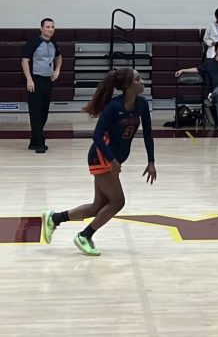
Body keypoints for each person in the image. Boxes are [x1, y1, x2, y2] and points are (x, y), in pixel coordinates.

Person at [41, 68, 156, 256]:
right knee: (118, 202)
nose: (142, 81)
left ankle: (54, 218)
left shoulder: (142, 105)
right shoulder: (113, 107)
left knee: (97, 207)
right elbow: (97, 136)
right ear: (127, 86)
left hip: (113, 158)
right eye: (138, 79)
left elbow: (149, 134)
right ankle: (85, 236)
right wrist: (112, 160)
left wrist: (151, 161)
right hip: (102, 156)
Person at [175, 41, 218, 136]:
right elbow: (197, 69)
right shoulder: (209, 63)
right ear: (215, 50)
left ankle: (215, 95)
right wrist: (183, 70)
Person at [21, 17, 61, 154]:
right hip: (35, 81)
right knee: (36, 112)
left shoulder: (54, 44)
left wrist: (57, 70)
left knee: (44, 112)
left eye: (52, 27)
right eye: (48, 27)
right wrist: (29, 79)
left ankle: (33, 141)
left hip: (47, 81)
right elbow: (25, 61)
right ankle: (40, 143)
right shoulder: (33, 43)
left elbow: (59, 57)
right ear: (41, 28)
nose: (50, 29)